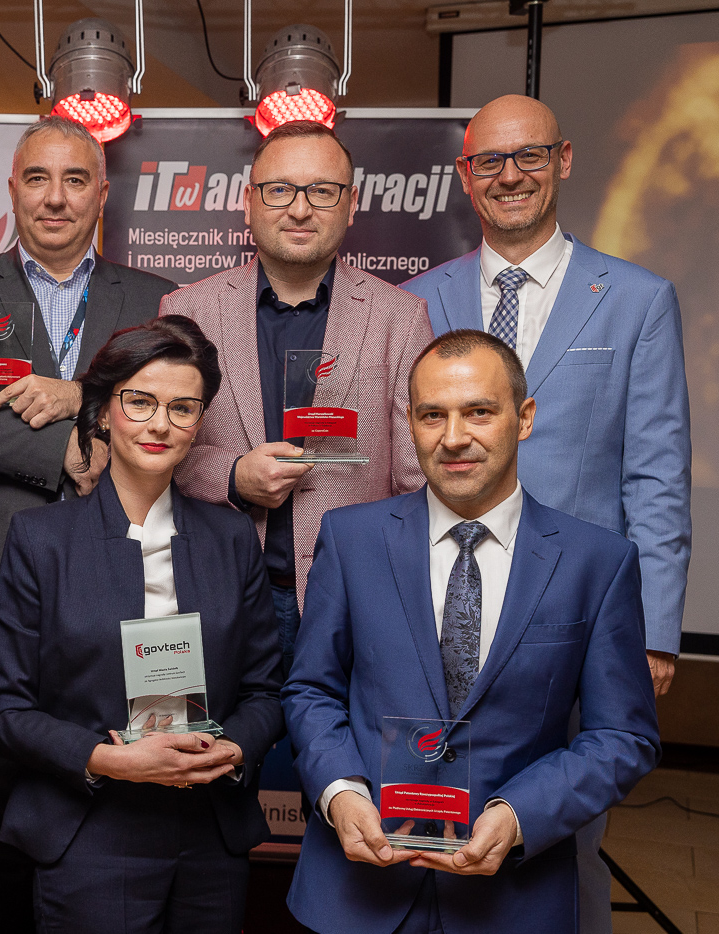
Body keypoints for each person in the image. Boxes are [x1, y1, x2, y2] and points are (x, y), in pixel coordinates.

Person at [402, 94, 690, 934]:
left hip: (581, 613)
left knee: (567, 829)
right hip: (449, 594)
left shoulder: (637, 298)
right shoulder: (419, 299)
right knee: (447, 814)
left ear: (563, 160)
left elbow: (657, 470)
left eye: (528, 156)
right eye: (489, 161)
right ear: (465, 177)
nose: (510, 176)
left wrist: (658, 629)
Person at [281, 329, 659, 934]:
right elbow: (311, 691)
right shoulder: (351, 540)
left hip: (513, 897)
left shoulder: (597, 562)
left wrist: (520, 814)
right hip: (357, 893)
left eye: (478, 411)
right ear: (410, 423)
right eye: (433, 415)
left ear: (524, 417)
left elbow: (622, 736)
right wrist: (338, 791)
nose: (454, 438)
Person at [0, 116, 175, 933]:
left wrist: (82, 398)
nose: (55, 198)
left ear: (102, 193)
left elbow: (180, 407)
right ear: (13, 189)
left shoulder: (152, 297)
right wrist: (62, 446)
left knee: (128, 781)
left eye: (74, 180)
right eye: (37, 179)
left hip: (124, 572)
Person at [0, 316, 283, 933]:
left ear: (199, 424)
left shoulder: (230, 537)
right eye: (139, 401)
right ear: (101, 411)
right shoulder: (43, 541)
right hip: (91, 831)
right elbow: (3, 712)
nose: (159, 424)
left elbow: (266, 693)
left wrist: (235, 747)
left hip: (208, 834)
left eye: (182, 408)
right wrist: (107, 759)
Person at [161, 120, 431, 674]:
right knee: (216, 757)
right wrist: (235, 476)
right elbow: (162, 456)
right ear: (248, 201)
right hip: (219, 597)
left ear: (351, 204)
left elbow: (415, 478)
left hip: (351, 601)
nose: (300, 209)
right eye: (280, 189)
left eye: (322, 191)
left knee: (339, 761)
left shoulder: (399, 318)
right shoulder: (188, 311)